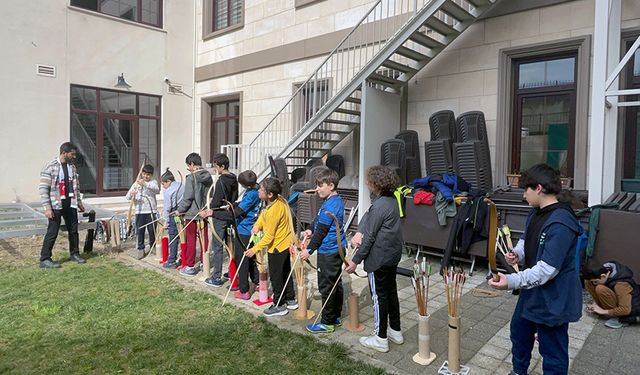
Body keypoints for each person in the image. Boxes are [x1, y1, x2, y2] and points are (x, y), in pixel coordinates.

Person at [488, 163, 583, 375]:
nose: (524, 195)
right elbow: (526, 238)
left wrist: (511, 281)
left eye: (526, 190)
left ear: (539, 188)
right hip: (532, 293)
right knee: (519, 334)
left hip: (553, 299)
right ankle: (518, 371)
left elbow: (547, 270)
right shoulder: (536, 211)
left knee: (553, 352)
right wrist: (518, 254)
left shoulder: (561, 223)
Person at [346, 165, 404, 352]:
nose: (366, 182)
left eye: (369, 180)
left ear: (376, 183)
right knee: (391, 293)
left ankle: (380, 338)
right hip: (391, 257)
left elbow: (370, 237)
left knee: (379, 297)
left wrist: (355, 261)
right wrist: (359, 230)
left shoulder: (380, 205)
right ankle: (395, 331)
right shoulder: (390, 200)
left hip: (379, 259)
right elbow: (368, 215)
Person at [301, 167, 346, 333]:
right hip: (333, 250)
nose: (318, 188)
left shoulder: (331, 205)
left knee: (327, 286)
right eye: (317, 185)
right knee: (335, 283)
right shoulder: (330, 201)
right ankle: (334, 316)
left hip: (330, 251)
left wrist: (309, 250)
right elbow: (318, 221)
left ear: (331, 185)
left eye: (321, 185)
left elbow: (322, 232)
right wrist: (310, 229)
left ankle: (327, 322)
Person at [244, 177, 297, 316]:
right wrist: (257, 225)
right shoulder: (276, 200)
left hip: (278, 247)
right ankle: (291, 299)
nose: (258, 191)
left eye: (261, 190)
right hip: (284, 243)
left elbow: (269, 236)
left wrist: (254, 250)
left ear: (270, 194)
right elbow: (263, 215)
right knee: (285, 273)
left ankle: (279, 305)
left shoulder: (275, 210)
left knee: (276, 277)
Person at [39, 142, 86, 268]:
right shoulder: (50, 167)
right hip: (56, 205)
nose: (74, 156)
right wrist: (47, 208)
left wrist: (79, 203)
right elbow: (43, 189)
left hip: (70, 204)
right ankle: (45, 259)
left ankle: (74, 253)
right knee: (52, 232)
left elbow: (76, 187)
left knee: (73, 230)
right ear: (64, 153)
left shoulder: (72, 167)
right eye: (72, 154)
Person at [201, 153, 238, 287]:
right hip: (230, 214)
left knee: (218, 247)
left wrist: (210, 209)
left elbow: (217, 202)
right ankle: (232, 271)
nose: (216, 169)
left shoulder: (222, 180)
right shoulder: (234, 178)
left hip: (219, 216)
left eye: (217, 167)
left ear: (222, 166)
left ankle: (216, 276)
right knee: (230, 245)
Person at [175, 153, 212, 277]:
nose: (188, 168)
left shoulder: (191, 177)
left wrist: (180, 210)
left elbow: (188, 197)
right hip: (204, 212)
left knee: (191, 240)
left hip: (192, 213)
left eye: (188, 165)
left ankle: (190, 266)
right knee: (204, 239)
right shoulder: (208, 176)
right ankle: (204, 263)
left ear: (191, 164)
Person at [228, 170, 261, 299]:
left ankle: (244, 291)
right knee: (252, 257)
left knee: (242, 260)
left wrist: (219, 214)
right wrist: (233, 204)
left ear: (246, 186)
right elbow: (242, 204)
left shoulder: (252, 194)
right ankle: (257, 282)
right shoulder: (257, 188)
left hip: (245, 230)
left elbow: (239, 211)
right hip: (251, 229)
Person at [583, 260, 640, 328]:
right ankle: (599, 307)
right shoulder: (606, 269)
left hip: (629, 312)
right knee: (588, 282)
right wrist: (595, 305)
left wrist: (603, 311)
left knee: (600, 288)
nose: (594, 283)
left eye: (595, 281)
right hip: (617, 301)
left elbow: (625, 310)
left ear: (603, 276)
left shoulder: (621, 285)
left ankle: (614, 315)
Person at [126, 164, 160, 260]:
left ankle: (152, 246)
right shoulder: (136, 184)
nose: (146, 176)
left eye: (148, 175)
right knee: (140, 231)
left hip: (151, 210)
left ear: (151, 175)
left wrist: (144, 184)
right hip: (139, 211)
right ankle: (140, 249)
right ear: (142, 174)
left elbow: (156, 190)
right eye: (144, 174)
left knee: (151, 230)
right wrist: (131, 194)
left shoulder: (153, 182)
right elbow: (127, 196)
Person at [160, 168, 183, 268]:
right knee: (183, 236)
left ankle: (172, 260)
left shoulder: (169, 191)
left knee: (173, 236)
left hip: (174, 213)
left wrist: (166, 222)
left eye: (163, 184)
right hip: (183, 211)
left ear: (168, 181)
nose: (163, 187)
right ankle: (184, 257)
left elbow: (167, 208)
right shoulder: (183, 185)